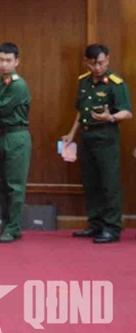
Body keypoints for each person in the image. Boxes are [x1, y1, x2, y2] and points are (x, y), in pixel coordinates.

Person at [61, 44, 132, 243]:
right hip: (87, 137)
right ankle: (96, 224)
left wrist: (111, 117)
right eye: (93, 64)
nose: (97, 68)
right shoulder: (84, 81)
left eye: (101, 63)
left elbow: (127, 112)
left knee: (109, 184)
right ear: (86, 62)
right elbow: (81, 111)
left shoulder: (115, 83)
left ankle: (112, 227)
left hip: (106, 138)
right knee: (91, 183)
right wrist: (71, 133)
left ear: (107, 59)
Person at [0, 42, 32, 244]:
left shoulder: (17, 85)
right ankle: (7, 226)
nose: (4, 64)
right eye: (1, 60)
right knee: (2, 184)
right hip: (1, 134)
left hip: (16, 137)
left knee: (14, 185)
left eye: (8, 60)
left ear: (16, 62)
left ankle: (13, 228)